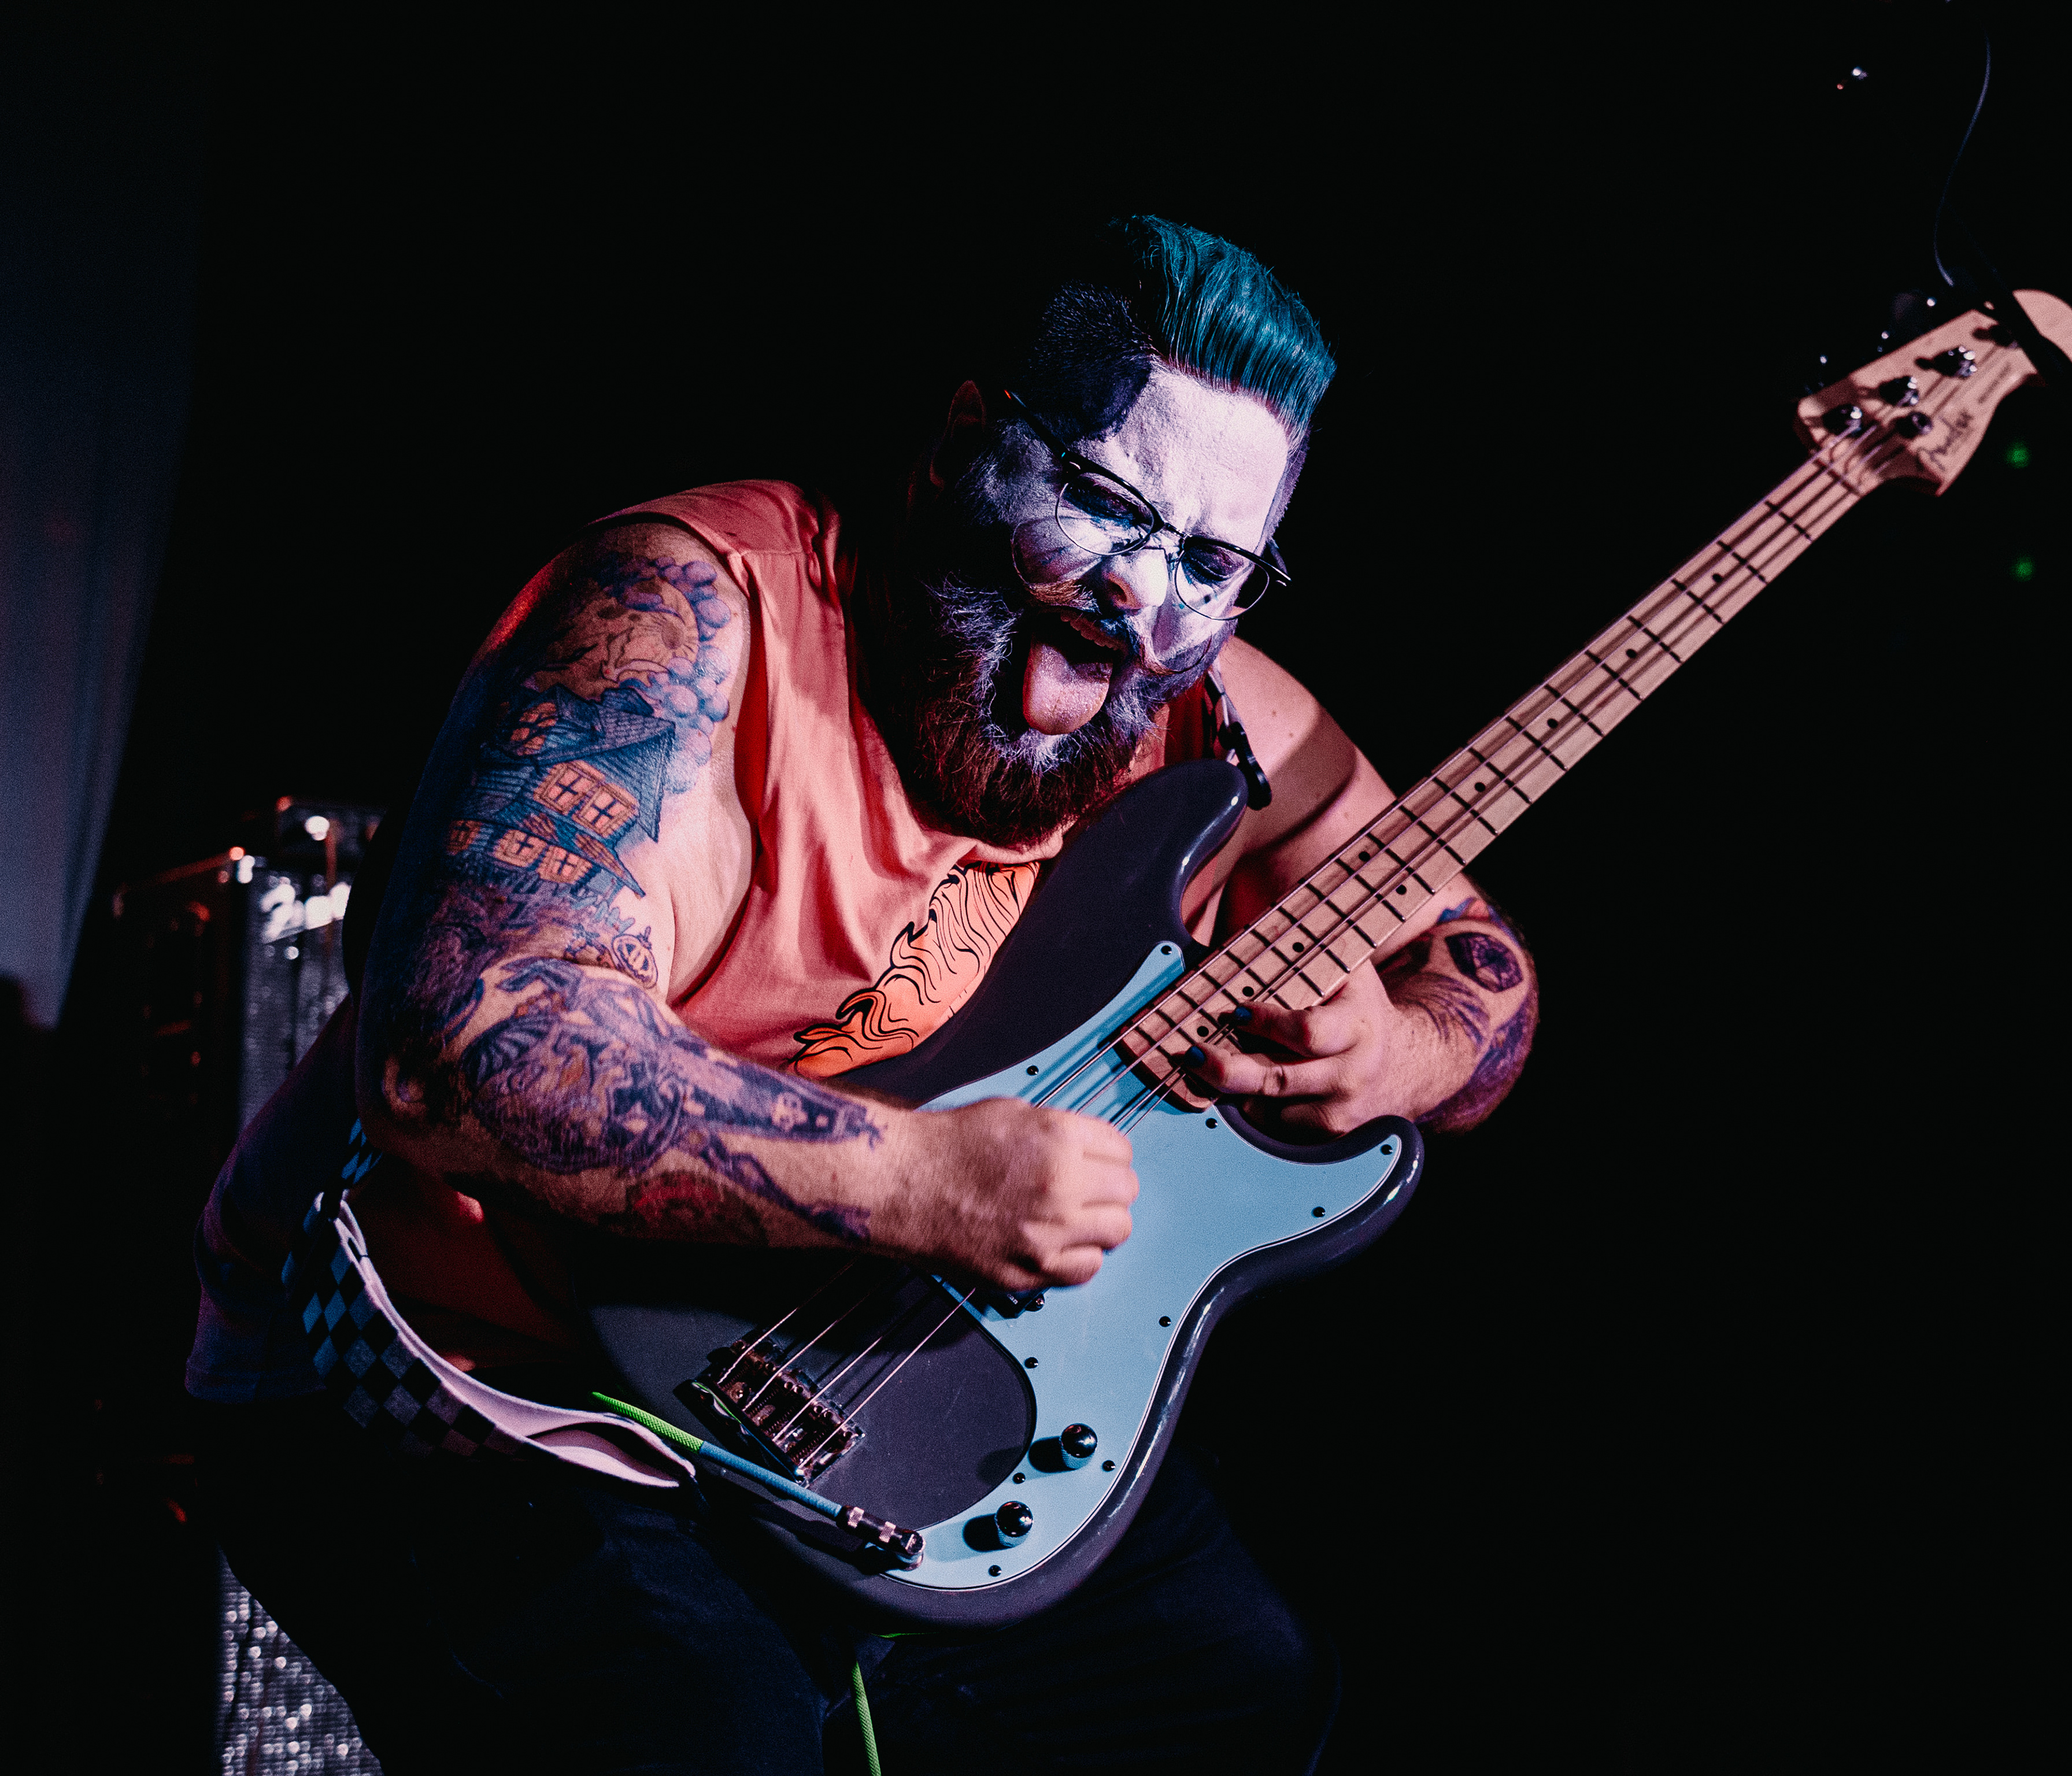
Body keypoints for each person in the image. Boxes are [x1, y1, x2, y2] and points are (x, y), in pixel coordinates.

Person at [187, 216, 1538, 1774]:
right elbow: (461, 1049)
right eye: (1109, 509)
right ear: (965, 444)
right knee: (706, 1730)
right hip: (465, 1365)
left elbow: (1469, 946)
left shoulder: (1201, 700)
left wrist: (1408, 1045)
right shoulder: (693, 612)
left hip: (852, 1354)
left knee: (1234, 1684)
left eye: (1214, 566)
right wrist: (920, 1186)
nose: (1142, 605)